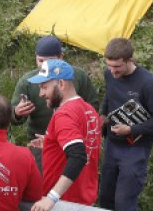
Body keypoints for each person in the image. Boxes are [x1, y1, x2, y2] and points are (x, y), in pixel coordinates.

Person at [98, 38, 153, 211]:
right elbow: (109, 95)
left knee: (124, 202)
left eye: (117, 67)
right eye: (109, 66)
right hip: (112, 144)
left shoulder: (148, 84)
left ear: (130, 60)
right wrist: (103, 115)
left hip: (135, 147)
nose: (113, 71)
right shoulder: (109, 75)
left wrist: (131, 130)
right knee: (105, 197)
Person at [10, 36, 98, 171]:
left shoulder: (78, 76)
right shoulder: (27, 82)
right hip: (39, 143)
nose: (44, 65)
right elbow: (11, 116)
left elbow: (93, 108)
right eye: (40, 60)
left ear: (61, 57)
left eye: (50, 60)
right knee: (43, 180)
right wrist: (17, 113)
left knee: (73, 172)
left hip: (73, 139)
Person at [28, 59, 101, 211]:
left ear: (61, 84)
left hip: (64, 204)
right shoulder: (89, 109)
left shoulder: (64, 115)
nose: (41, 94)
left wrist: (51, 198)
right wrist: (51, 144)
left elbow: (78, 156)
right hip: (85, 198)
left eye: (44, 87)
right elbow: (85, 144)